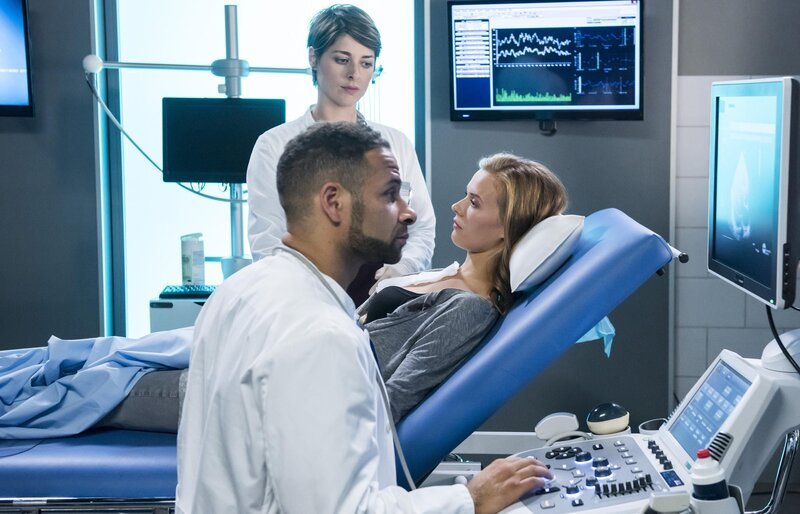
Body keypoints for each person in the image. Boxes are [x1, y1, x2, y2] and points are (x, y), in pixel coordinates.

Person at [176, 122, 552, 513]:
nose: (408, 213)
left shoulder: (240, 289)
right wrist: (468, 499)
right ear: (334, 203)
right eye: (391, 195)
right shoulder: (323, 337)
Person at [247, 4, 435, 304]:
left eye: (366, 63)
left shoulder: (395, 144)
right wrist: (313, 295)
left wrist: (399, 271)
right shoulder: (274, 145)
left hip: (378, 298)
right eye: (342, 60)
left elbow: (421, 227)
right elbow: (267, 241)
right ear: (313, 57)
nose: (353, 75)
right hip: (304, 298)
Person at [362, 153, 568, 421]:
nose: (456, 206)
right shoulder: (445, 275)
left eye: (474, 202)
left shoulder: (469, 308)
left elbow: (392, 401)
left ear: (507, 225)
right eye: (465, 195)